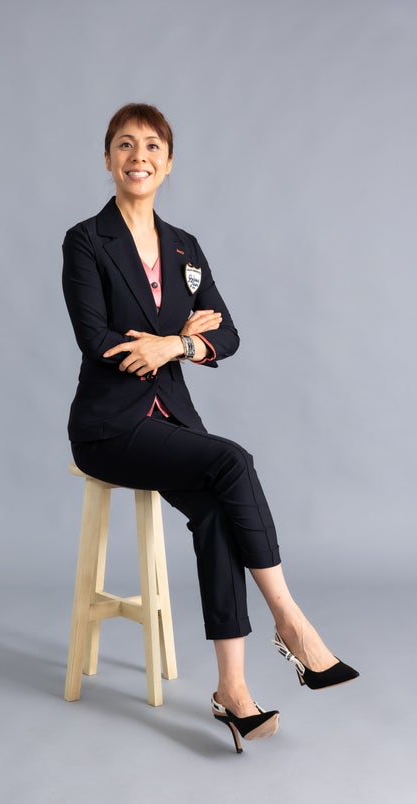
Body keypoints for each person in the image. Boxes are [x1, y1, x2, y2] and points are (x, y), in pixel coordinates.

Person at [62, 102, 358, 754]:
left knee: (219, 512)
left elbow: (227, 332)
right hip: (108, 427)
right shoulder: (86, 240)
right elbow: (97, 339)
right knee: (233, 461)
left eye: (152, 146)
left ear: (169, 163)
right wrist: (179, 335)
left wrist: (178, 345)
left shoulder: (184, 247)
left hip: (171, 420)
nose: (138, 156)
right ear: (108, 158)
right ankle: (291, 621)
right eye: (125, 144)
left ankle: (234, 693)